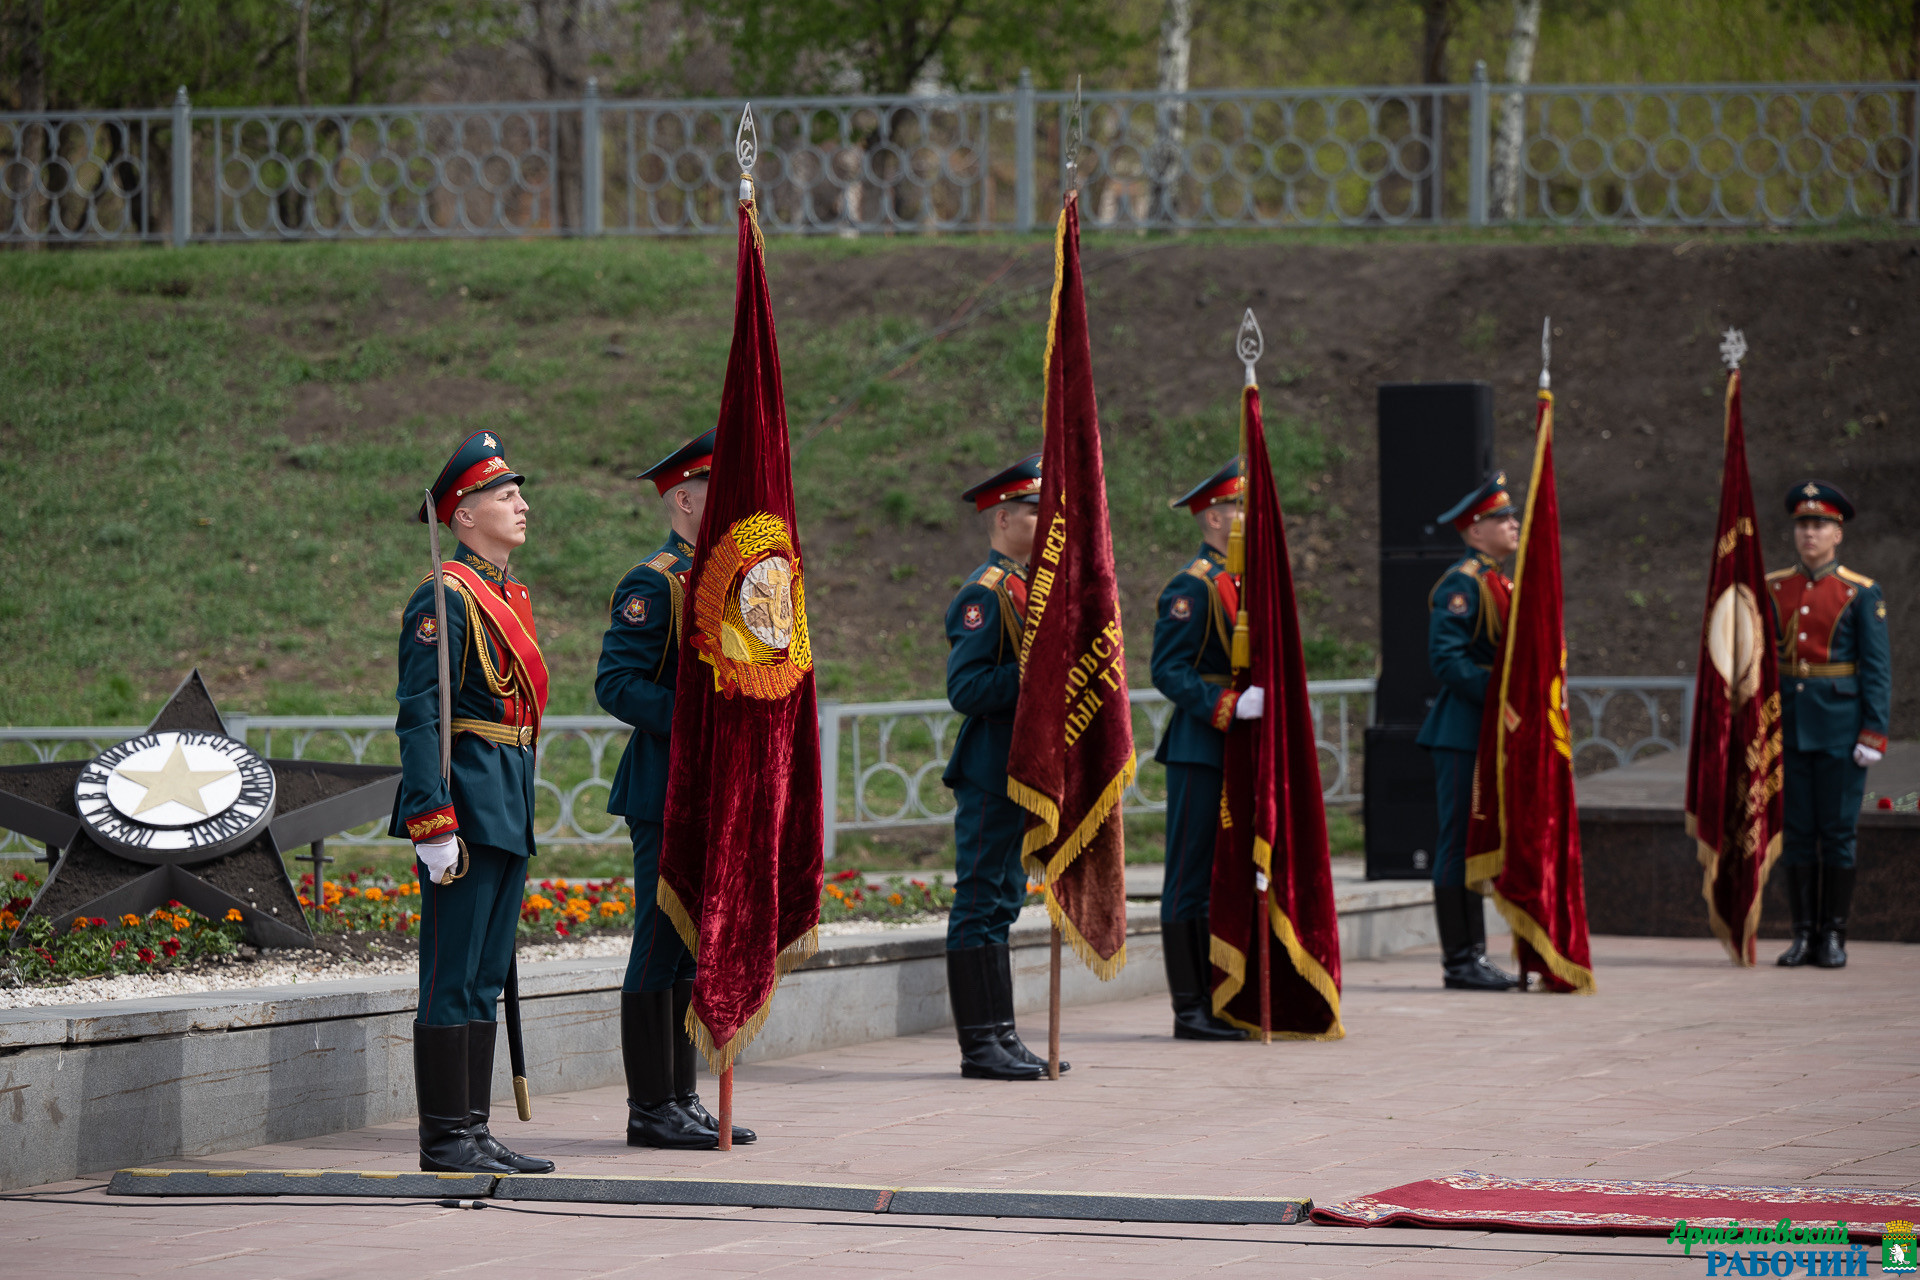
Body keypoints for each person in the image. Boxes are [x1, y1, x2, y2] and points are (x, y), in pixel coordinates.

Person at [392, 430, 555, 1175]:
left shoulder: (504, 594)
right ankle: (444, 1137)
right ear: (461, 515)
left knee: (486, 973)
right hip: (462, 807)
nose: (521, 505)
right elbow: (422, 715)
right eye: (504, 495)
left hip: (506, 800)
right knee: (451, 973)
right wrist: (432, 820)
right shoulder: (444, 595)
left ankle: (474, 1127)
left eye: (519, 493)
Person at [595, 430, 753, 1146]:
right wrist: (697, 719)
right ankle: (649, 1107)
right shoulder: (655, 583)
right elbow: (617, 685)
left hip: (715, 793)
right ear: (685, 499)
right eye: (717, 489)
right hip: (665, 788)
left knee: (694, 949)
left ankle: (682, 1098)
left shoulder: (733, 582)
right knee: (659, 946)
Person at [940, 456, 1062, 1081]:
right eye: (1036, 509)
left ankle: (1004, 1036)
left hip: (1021, 767)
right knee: (980, 901)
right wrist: (1033, 677)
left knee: (1004, 904)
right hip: (990, 769)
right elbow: (967, 688)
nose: (1046, 519)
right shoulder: (984, 593)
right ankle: (980, 1044)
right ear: (1005, 517)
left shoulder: (1023, 585)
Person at [1149, 458, 1263, 1040]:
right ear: (1215, 517)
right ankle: (1191, 1007)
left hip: (1243, 746)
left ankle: (1225, 994)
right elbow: (1167, 671)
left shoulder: (1247, 578)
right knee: (1190, 877)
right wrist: (1226, 706)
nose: (1248, 515)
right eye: (1239, 506)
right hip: (1201, 745)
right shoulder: (1192, 586)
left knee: (1233, 871)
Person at [1766, 480, 1890, 970]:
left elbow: (1877, 669)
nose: (1809, 534)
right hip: (1790, 726)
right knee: (1797, 832)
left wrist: (1873, 733)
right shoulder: (1776, 587)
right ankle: (1802, 934)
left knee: (1837, 832)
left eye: (1819, 525)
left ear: (1838, 534)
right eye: (1802, 525)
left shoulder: (1860, 593)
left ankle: (1833, 935)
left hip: (1841, 727)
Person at [1415, 473, 1522, 992]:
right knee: (1457, 844)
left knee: (1477, 842)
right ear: (1475, 531)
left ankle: (1475, 953)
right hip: (1462, 732)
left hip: (1489, 732)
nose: (1513, 524)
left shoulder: (1502, 582)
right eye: (1502, 518)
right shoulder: (1462, 585)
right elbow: (1448, 661)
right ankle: (1460, 960)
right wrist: (1505, 694)